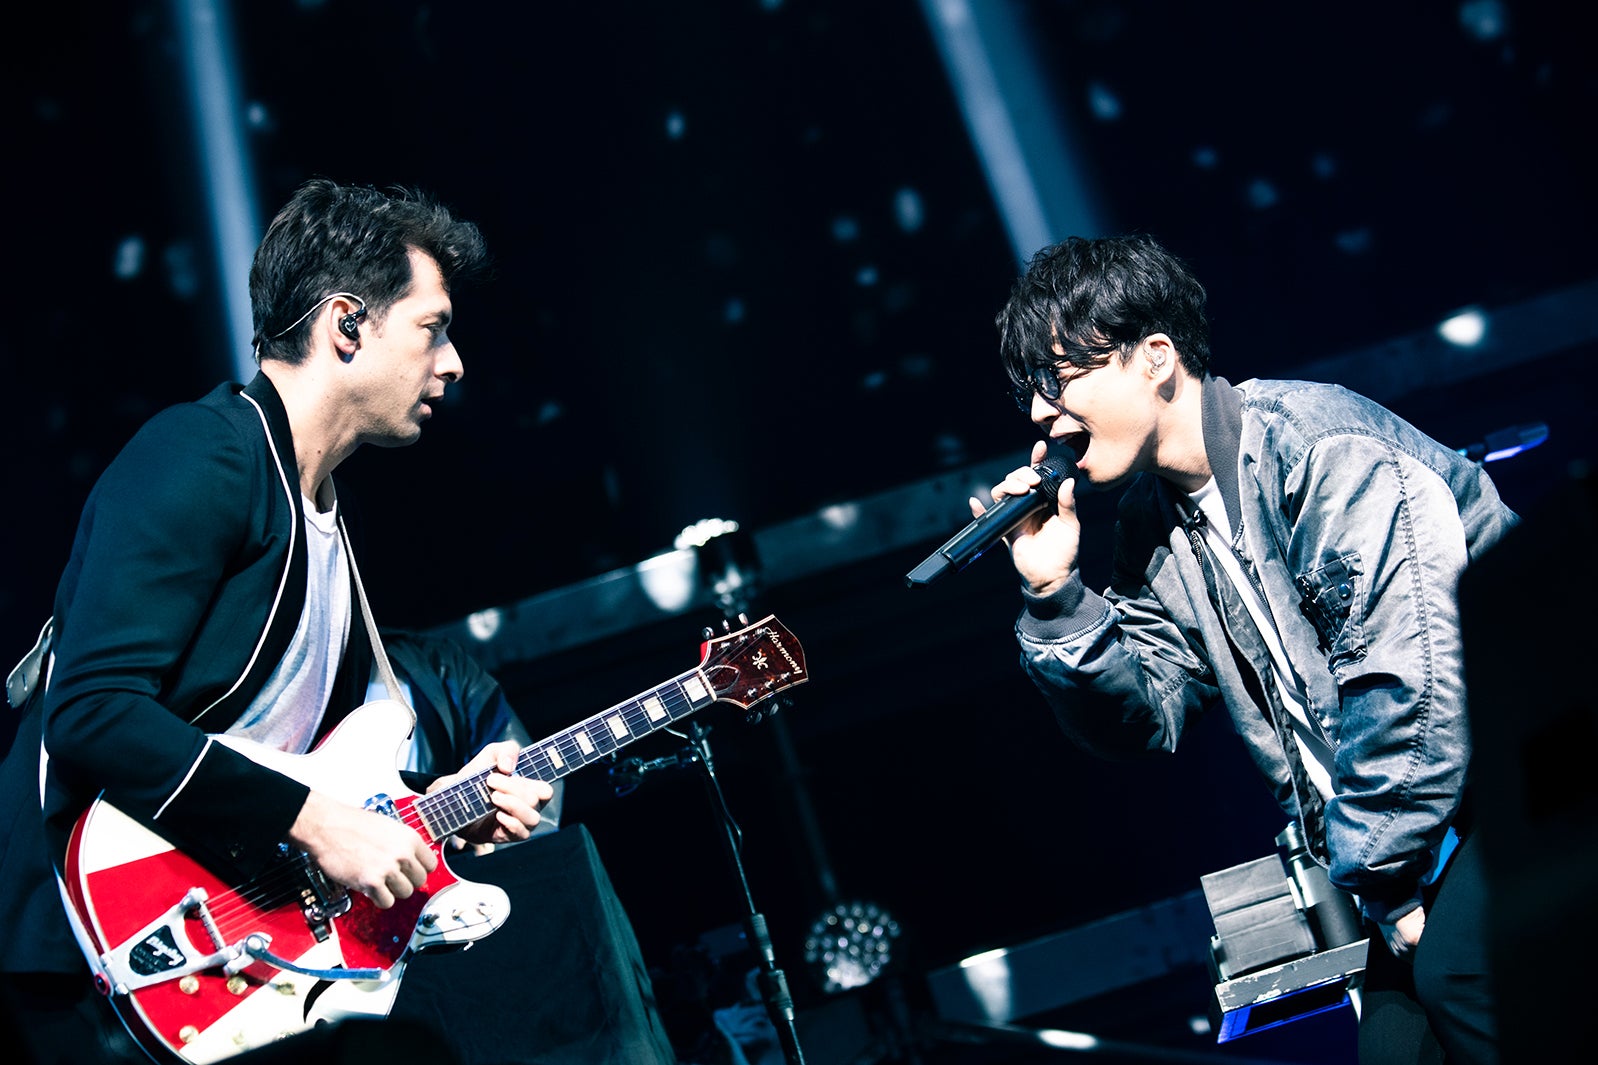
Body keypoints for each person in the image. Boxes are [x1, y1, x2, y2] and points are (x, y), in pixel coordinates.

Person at [0, 179, 554, 1063]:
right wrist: (318, 822)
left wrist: (440, 803)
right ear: (347, 325)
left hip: (215, 952)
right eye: (432, 327)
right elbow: (92, 710)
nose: (452, 363)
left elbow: (293, 759)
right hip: (81, 962)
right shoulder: (205, 454)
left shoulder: (319, 510)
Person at [979, 234, 1514, 1064]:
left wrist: (1386, 877)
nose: (1042, 414)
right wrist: (1055, 595)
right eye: (1032, 393)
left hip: (1521, 779)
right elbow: (1142, 716)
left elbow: (1412, 684)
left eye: (1059, 379)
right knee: (1393, 1048)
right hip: (1407, 848)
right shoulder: (1154, 524)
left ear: (1156, 358)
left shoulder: (1319, 450)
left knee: (1463, 979)